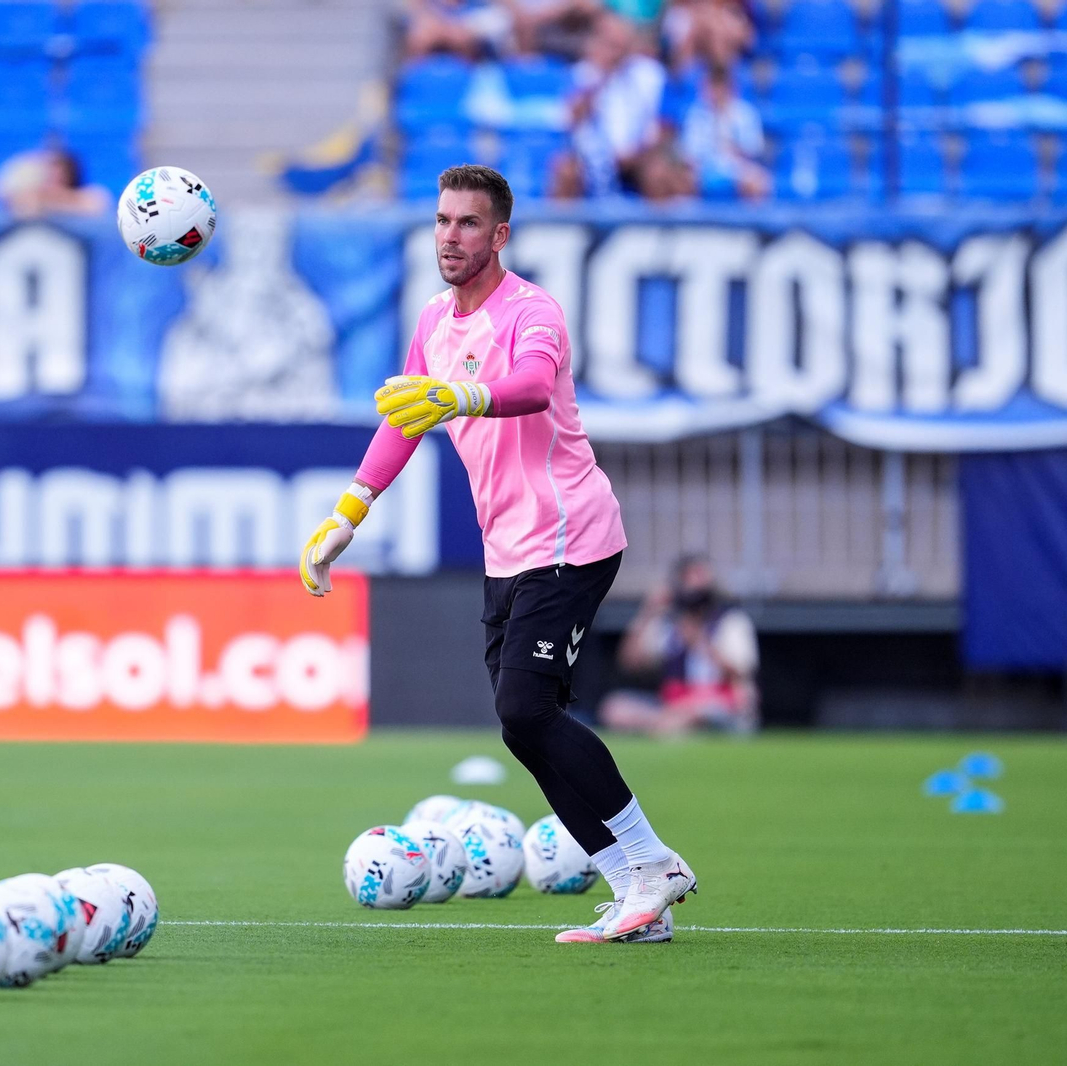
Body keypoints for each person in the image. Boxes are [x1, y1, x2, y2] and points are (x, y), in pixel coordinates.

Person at [300, 164, 696, 945]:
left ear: (500, 234)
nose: (451, 236)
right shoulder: (435, 323)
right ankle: (633, 896)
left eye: (468, 223)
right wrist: (348, 512)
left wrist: (459, 395)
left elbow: (529, 387)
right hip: (508, 549)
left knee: (525, 708)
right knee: (523, 726)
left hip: (571, 537)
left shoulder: (532, 311)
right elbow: (404, 416)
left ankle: (655, 864)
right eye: (443, 221)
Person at [599, 554, 760, 735]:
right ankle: (667, 726)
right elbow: (630, 662)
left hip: (716, 703)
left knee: (698, 712)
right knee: (615, 707)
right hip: (673, 704)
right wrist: (648, 612)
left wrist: (701, 642)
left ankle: (670, 727)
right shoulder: (670, 625)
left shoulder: (731, 622)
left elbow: (741, 673)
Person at [550, 15, 687, 200]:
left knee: (660, 172)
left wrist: (637, 153)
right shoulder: (582, 74)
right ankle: (562, 227)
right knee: (564, 170)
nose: (615, 51)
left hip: (640, 157)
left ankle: (662, 229)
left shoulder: (649, 74)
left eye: (620, 45)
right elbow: (570, 121)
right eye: (610, 44)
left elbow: (666, 127)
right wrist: (600, 78)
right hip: (591, 158)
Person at [678, 63, 769, 200]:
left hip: (738, 168)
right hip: (703, 168)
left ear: (728, 88)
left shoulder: (745, 113)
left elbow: (755, 148)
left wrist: (735, 149)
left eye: (719, 87)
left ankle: (752, 221)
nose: (715, 92)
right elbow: (688, 151)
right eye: (711, 87)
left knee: (758, 183)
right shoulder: (696, 113)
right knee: (680, 181)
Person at [0, 147, 112, 218]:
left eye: (60, 176)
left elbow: (97, 204)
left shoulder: (91, 195)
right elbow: (2, 193)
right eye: (50, 174)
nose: (53, 180)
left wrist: (53, 200)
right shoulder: (33, 195)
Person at [404, 0, 513, 60]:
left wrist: (461, 32)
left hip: (478, 79)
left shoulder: (484, 6)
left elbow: (502, 21)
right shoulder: (423, 8)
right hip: (425, 79)